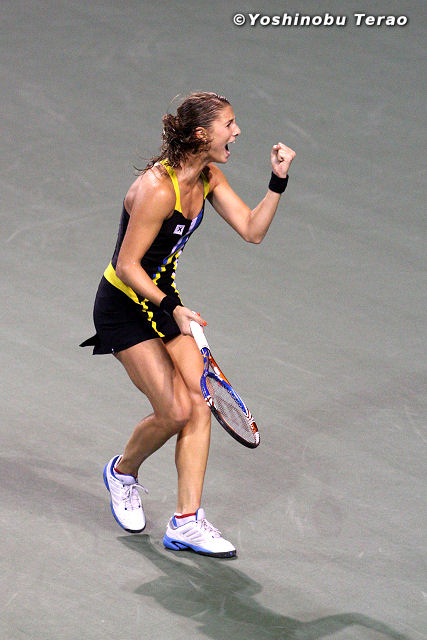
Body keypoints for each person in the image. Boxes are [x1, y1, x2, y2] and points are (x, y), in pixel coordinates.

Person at [80, 92, 295, 558]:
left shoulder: (209, 177)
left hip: (165, 303)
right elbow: (128, 264)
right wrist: (171, 307)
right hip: (124, 305)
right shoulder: (158, 188)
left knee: (199, 402)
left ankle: (186, 522)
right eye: (229, 125)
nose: (237, 132)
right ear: (201, 134)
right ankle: (122, 473)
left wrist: (277, 181)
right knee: (175, 411)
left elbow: (253, 230)